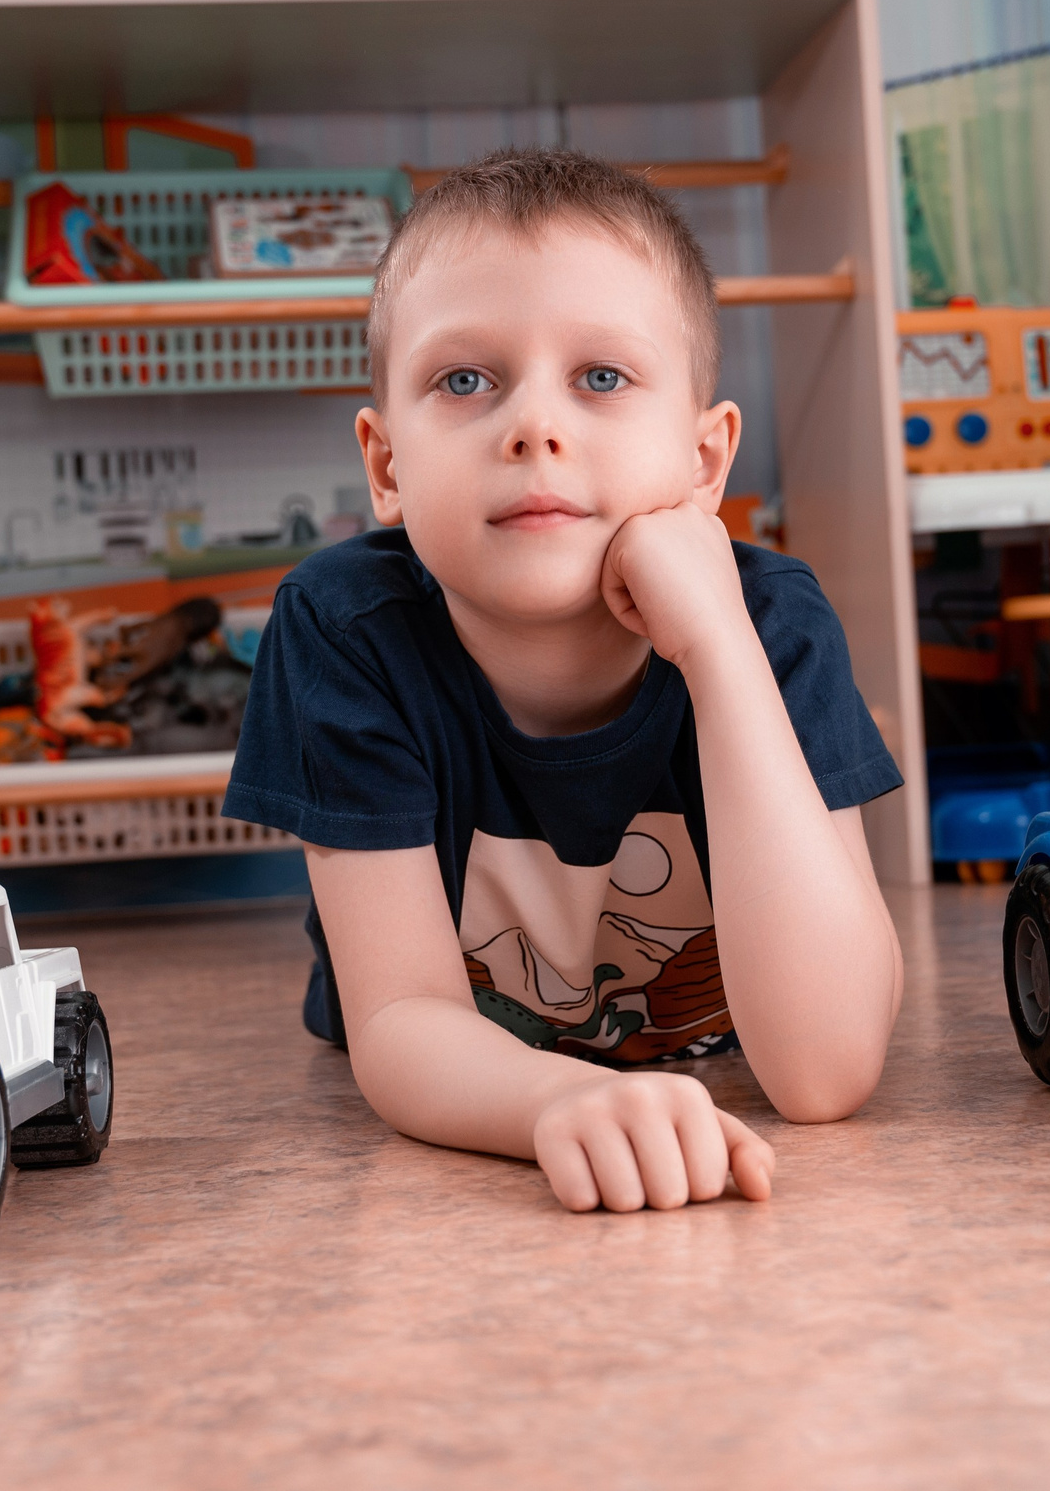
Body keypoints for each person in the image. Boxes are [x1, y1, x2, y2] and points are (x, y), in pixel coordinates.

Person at [224, 150, 905, 1214]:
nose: (532, 426)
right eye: (465, 380)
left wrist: (716, 646)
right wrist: (554, 1099)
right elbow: (399, 1016)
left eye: (601, 377)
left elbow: (824, 1071)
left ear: (703, 460)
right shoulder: (339, 628)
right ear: (387, 464)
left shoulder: (772, 624)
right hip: (467, 1061)